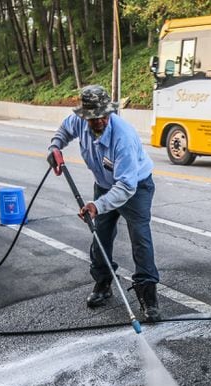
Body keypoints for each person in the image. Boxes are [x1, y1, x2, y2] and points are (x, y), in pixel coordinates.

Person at [47, 85, 160, 322]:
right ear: (85, 115)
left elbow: (126, 186)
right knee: (100, 234)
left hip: (135, 187)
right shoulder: (79, 122)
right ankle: (103, 282)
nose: (99, 121)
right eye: (93, 117)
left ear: (109, 112)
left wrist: (97, 205)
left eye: (103, 116)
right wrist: (55, 147)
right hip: (104, 185)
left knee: (140, 238)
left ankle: (148, 296)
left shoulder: (124, 137)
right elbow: (64, 130)